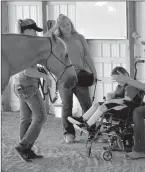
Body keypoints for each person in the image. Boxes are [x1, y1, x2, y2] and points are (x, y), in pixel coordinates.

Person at [45, 14, 97, 143]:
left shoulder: (79, 37)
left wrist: (94, 72)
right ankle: (69, 133)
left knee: (87, 105)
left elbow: (87, 56)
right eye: (63, 25)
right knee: (67, 106)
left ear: (71, 24)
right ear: (59, 27)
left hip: (80, 75)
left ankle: (92, 131)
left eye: (68, 24)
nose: (66, 27)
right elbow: (44, 38)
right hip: (64, 77)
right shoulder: (57, 39)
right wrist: (56, 26)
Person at [14, 19, 52, 162]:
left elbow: (43, 38)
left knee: (25, 119)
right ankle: (23, 146)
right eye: (34, 30)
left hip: (19, 84)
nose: (36, 33)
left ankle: (25, 150)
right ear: (28, 31)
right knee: (41, 117)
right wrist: (45, 76)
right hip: (28, 85)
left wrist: (54, 28)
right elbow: (28, 70)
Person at [68, 66, 139, 132]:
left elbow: (126, 100)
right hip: (117, 105)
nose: (118, 82)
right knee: (96, 104)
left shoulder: (130, 86)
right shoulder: (120, 85)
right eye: (115, 80)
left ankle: (87, 126)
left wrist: (110, 100)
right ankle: (82, 119)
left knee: (103, 107)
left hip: (127, 108)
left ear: (126, 75)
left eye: (118, 79)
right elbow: (114, 93)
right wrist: (109, 95)